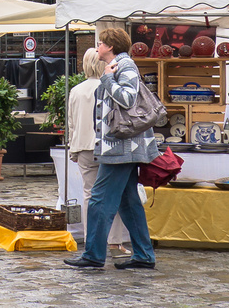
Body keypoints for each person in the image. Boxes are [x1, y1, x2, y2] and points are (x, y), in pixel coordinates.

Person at [64, 26, 159, 271]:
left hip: (121, 146)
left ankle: (94, 254)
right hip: (122, 145)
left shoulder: (123, 66)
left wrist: (106, 78)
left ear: (111, 46)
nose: (97, 48)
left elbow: (127, 98)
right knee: (128, 202)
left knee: (98, 200)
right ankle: (144, 255)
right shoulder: (121, 65)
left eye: (101, 43)